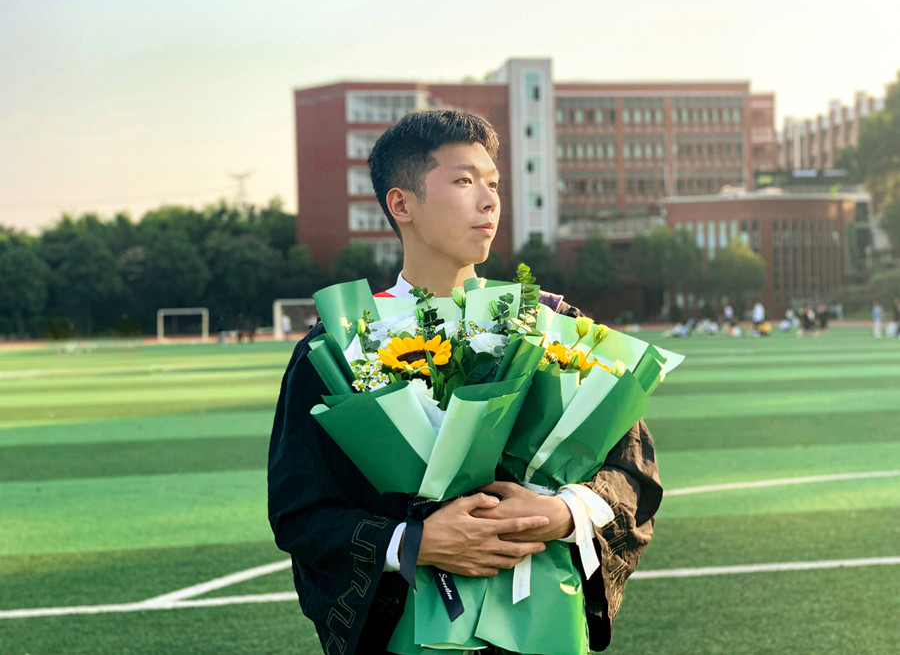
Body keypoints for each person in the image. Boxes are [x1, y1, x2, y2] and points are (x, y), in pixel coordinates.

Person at [268, 110, 661, 655]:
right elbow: (301, 511)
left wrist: (563, 512)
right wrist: (412, 541)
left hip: (543, 622)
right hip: (408, 634)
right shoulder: (343, 345)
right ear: (401, 204)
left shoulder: (549, 323)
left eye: (493, 183)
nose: (489, 200)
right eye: (463, 180)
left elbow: (632, 471)